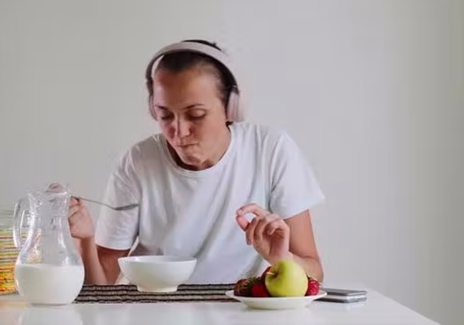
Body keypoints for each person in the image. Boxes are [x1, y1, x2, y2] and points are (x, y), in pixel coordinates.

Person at [56, 39, 325, 285]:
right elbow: (100, 288)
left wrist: (281, 259)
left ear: (231, 108)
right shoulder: (138, 162)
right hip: (152, 311)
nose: (179, 131)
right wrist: (85, 241)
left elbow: (315, 274)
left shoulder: (270, 149)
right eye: (165, 115)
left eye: (195, 115)